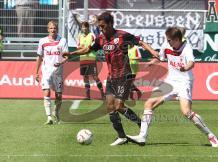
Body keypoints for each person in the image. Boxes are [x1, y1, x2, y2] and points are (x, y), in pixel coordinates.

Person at [63, 12, 158, 146]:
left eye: (102, 26)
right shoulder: (100, 39)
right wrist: (71, 53)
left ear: (110, 24)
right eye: (99, 26)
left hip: (124, 76)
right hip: (111, 77)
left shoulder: (122, 35)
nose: (101, 29)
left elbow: (140, 42)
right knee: (110, 107)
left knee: (119, 106)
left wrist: (153, 52)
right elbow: (87, 50)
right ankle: (122, 137)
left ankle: (139, 123)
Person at [127, 26, 218, 147]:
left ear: (177, 40)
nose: (167, 41)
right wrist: (152, 62)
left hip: (184, 81)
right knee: (149, 103)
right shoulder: (167, 45)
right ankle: (142, 137)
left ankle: (210, 135)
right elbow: (160, 57)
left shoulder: (186, 48)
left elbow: (191, 63)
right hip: (170, 81)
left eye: (170, 40)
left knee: (186, 112)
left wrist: (184, 68)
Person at [35, 21, 68, 125]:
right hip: (46, 71)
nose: (53, 30)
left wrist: (60, 62)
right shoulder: (42, 41)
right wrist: (36, 73)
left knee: (58, 95)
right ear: (47, 29)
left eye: (54, 28)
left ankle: (56, 112)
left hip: (58, 72)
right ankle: (49, 117)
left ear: (57, 29)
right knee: (46, 91)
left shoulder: (62, 41)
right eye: (51, 28)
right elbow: (39, 57)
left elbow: (66, 57)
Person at [77, 22, 105, 100]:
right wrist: (81, 48)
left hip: (91, 58)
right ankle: (87, 95)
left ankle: (102, 93)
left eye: (86, 27)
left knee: (95, 76)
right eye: (83, 27)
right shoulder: (80, 36)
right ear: (81, 28)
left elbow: (93, 45)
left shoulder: (92, 35)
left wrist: (86, 48)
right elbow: (78, 46)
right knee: (85, 77)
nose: (84, 28)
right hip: (83, 58)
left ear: (88, 27)